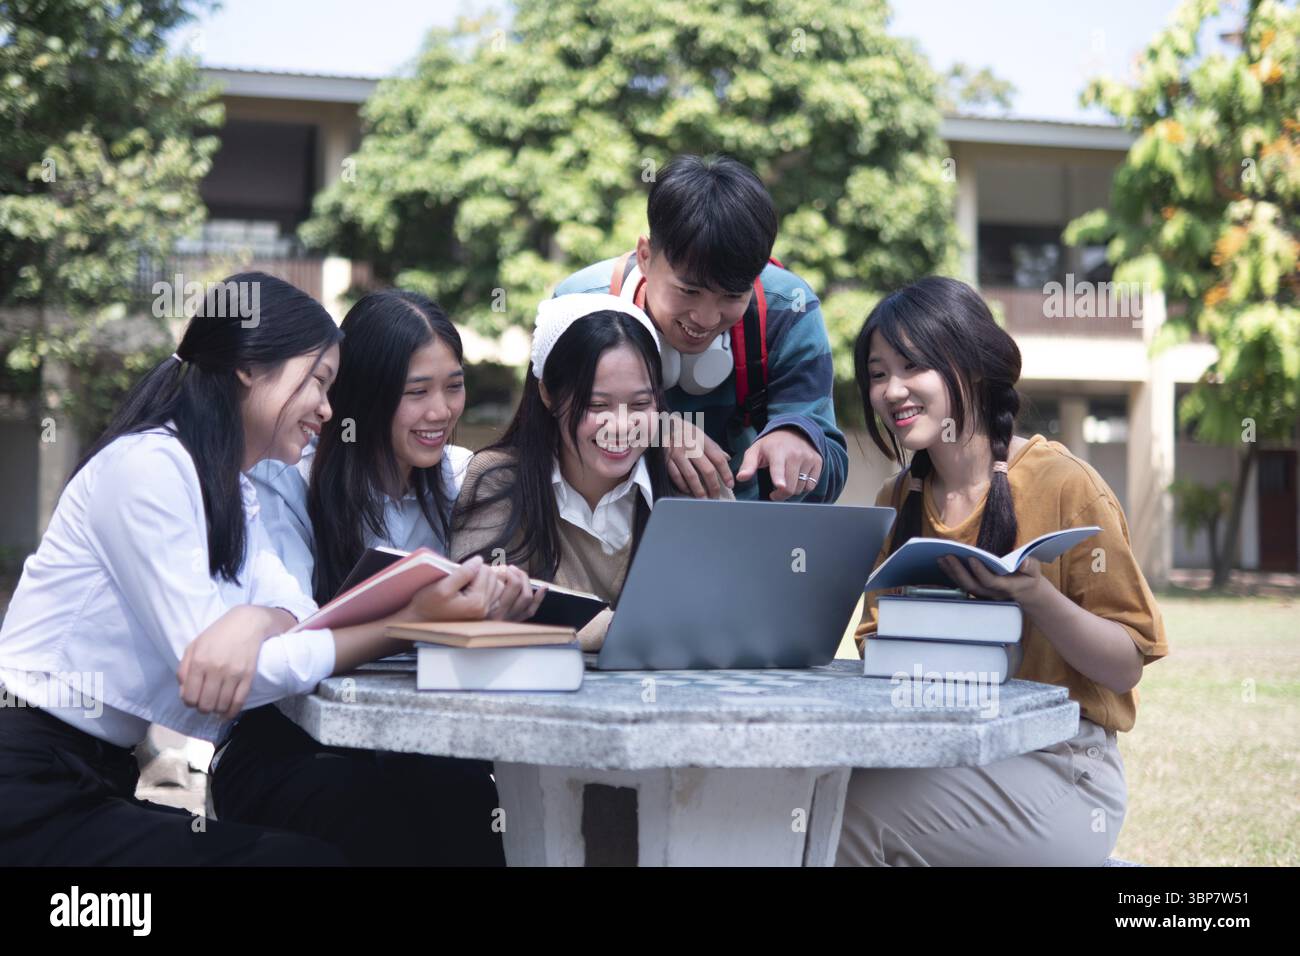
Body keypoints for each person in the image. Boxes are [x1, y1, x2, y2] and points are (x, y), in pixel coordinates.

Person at [0, 273, 504, 865]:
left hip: (99, 779)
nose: (325, 407)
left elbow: (304, 617)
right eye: (317, 382)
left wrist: (257, 617)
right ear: (249, 369)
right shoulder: (149, 470)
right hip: (29, 786)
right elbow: (225, 678)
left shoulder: (235, 493)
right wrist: (405, 623)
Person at [837, 276, 1169, 867]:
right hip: (944, 753)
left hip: (1064, 768)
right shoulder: (898, 496)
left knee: (850, 819)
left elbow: (1124, 666)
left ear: (972, 368)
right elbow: (876, 650)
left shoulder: (1065, 484)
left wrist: (1037, 598)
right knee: (810, 789)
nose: (891, 390)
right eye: (878, 372)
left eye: (912, 366)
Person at [554, 154, 847, 503]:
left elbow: (833, 474)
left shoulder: (789, 308)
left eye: (732, 296)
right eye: (689, 291)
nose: (706, 319)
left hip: (745, 535)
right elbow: (540, 444)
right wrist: (652, 433)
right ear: (645, 256)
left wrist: (800, 440)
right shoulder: (579, 307)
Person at [450, 294, 732, 647]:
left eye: (642, 403)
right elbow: (482, 606)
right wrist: (630, 631)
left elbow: (730, 610)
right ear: (548, 396)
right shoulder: (500, 478)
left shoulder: (690, 473)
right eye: (597, 404)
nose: (621, 425)